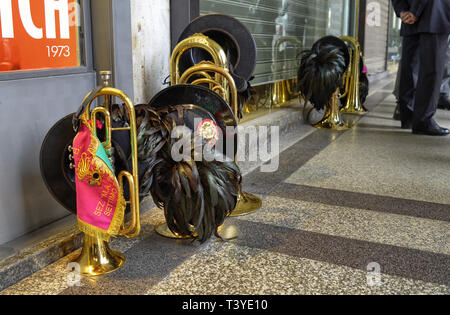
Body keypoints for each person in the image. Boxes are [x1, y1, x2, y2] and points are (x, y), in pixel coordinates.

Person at [392, 0, 450, 136]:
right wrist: (414, 12)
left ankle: (408, 118)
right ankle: (423, 121)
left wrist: (403, 11)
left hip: (411, 15)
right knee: (432, 70)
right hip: (434, 14)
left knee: (410, 67)